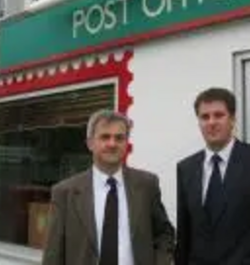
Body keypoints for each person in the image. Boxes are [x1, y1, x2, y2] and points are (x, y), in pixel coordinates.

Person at [42, 110, 175, 265]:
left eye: (119, 138)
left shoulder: (147, 185)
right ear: (90, 143)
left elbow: (164, 234)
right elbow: (53, 253)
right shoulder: (65, 192)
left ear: (126, 143)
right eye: (105, 137)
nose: (112, 144)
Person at [176, 87, 250, 265]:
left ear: (232, 119)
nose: (211, 122)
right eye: (204, 117)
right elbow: (185, 235)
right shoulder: (186, 168)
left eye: (219, 115)